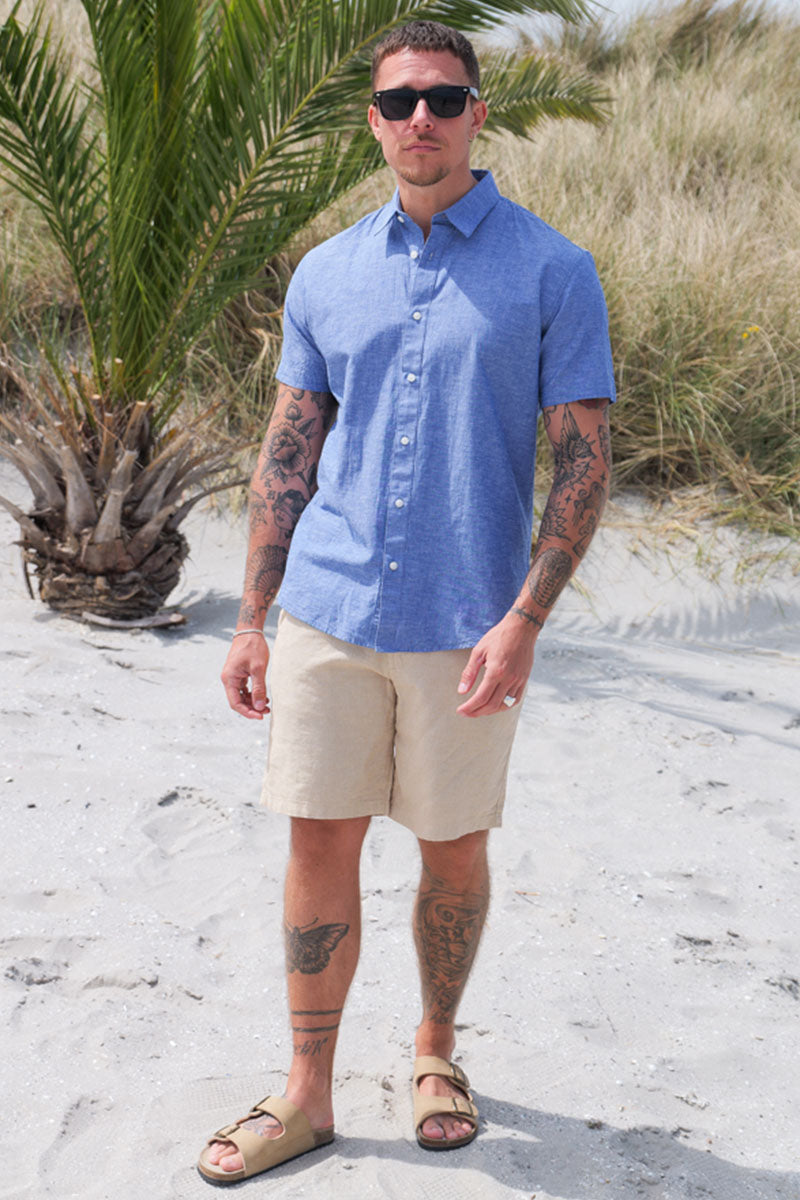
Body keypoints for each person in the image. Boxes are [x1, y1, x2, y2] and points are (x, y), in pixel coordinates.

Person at [197, 18, 615, 1186]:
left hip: (466, 624)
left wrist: (523, 621)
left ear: (478, 113)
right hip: (327, 612)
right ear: (371, 122)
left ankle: (434, 1051)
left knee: (451, 849)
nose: (418, 119)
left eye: (440, 98)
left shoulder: (553, 270)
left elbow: (582, 464)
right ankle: (307, 1092)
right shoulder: (325, 273)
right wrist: (250, 619)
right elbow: (288, 452)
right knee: (316, 839)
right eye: (396, 103)